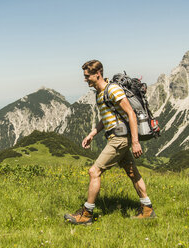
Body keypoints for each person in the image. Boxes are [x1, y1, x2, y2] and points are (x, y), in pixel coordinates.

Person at [64, 60, 156, 225]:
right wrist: (92, 133)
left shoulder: (112, 89)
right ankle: (147, 208)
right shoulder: (100, 93)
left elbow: (130, 114)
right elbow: (106, 117)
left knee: (94, 171)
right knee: (132, 172)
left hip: (120, 139)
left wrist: (135, 142)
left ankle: (86, 214)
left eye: (87, 76)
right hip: (117, 137)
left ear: (97, 73)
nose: (85, 80)